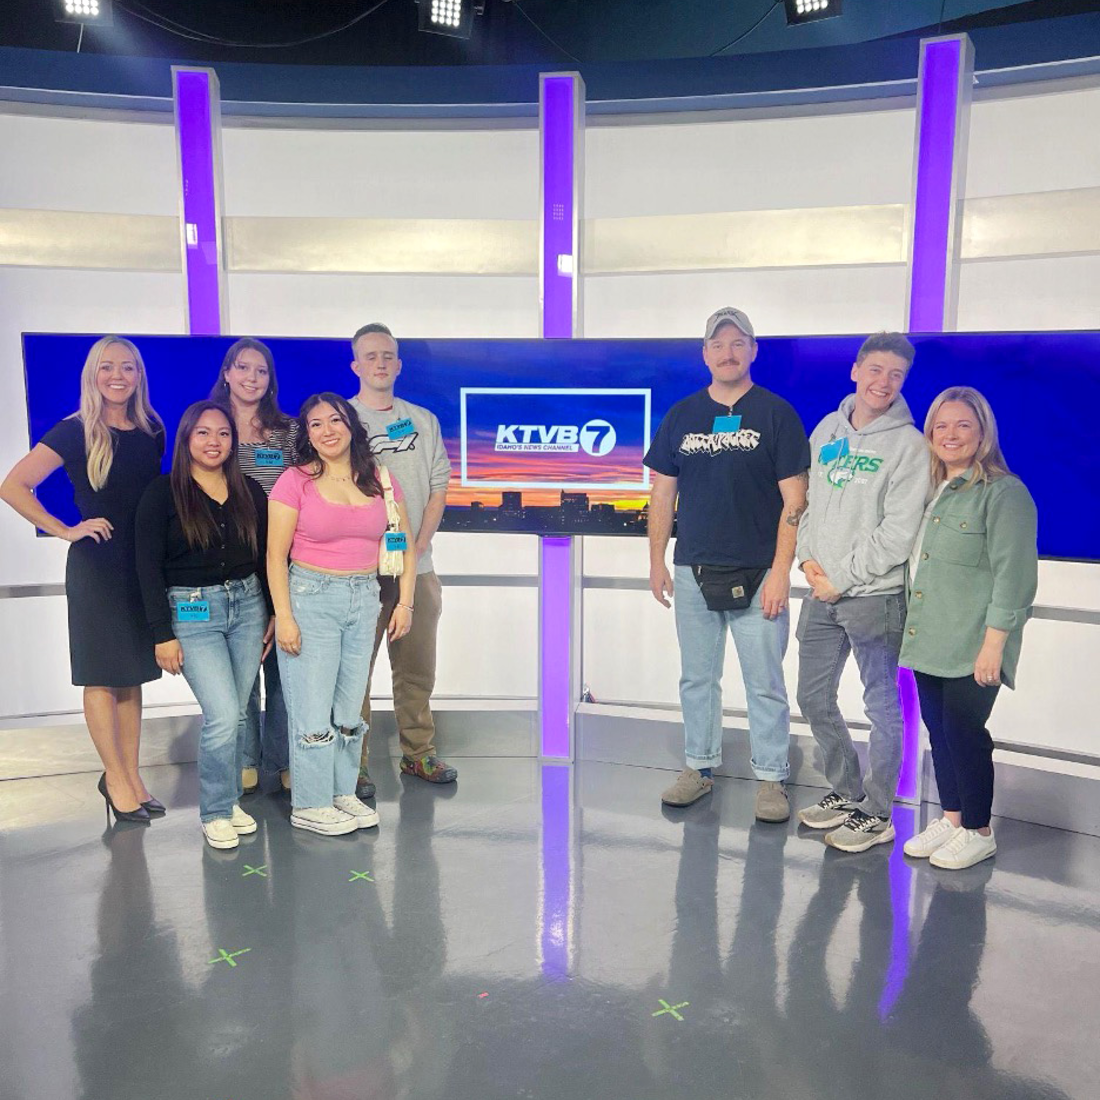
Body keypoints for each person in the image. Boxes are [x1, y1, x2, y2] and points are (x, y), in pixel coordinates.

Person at [645, 307, 810, 821]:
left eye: (738, 343)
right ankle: (699, 766)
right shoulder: (681, 416)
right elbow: (662, 495)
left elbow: (795, 499)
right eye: (718, 345)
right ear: (705, 354)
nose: (728, 352)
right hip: (694, 571)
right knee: (696, 678)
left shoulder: (777, 414)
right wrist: (657, 560)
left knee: (765, 681)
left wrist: (782, 571)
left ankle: (771, 779)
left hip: (761, 572)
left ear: (753, 351)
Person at [1, 336, 164, 824]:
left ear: (139, 376)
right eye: (107, 367)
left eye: (128, 367)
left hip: (140, 565)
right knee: (101, 674)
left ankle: (132, 777)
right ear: (93, 375)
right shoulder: (75, 431)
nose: (118, 375)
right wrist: (65, 530)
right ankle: (114, 779)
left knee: (134, 675)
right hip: (97, 566)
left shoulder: (151, 428)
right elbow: (13, 485)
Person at [794, 333, 928, 851]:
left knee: (882, 708)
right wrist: (808, 560)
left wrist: (839, 578)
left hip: (874, 597)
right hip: (821, 591)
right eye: (875, 370)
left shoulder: (909, 446)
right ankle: (847, 791)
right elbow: (807, 504)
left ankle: (877, 812)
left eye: (896, 375)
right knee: (812, 695)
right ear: (856, 371)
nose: (884, 382)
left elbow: (898, 533)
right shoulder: (827, 429)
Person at [900, 387, 1038, 870]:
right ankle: (953, 819)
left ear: (982, 432)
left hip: (974, 643)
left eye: (963, 425)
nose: (950, 435)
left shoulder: (1004, 493)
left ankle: (979, 830)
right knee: (939, 731)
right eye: (941, 425)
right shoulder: (931, 491)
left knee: (965, 732)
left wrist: (994, 646)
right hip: (928, 637)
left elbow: (1015, 577)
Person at [268, 392, 416, 836]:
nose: (327, 430)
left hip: (364, 597)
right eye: (316, 424)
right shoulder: (294, 481)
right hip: (311, 596)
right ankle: (310, 804)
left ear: (351, 425)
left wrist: (405, 601)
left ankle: (341, 792)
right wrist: (285, 616)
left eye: (335, 420)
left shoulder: (379, 479)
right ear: (307, 436)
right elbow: (275, 557)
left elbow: (402, 544)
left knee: (350, 708)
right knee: (312, 710)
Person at [135, 401, 272, 850]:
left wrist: (272, 611)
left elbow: (266, 558)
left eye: (224, 434)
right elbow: (147, 568)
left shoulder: (251, 490)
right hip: (193, 615)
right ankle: (214, 810)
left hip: (248, 609)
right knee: (222, 715)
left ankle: (230, 800)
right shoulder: (163, 493)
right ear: (186, 440)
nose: (214, 442)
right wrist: (162, 633)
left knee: (237, 714)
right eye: (203, 434)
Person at [347, 323, 456, 798]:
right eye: (371, 356)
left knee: (416, 669)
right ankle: (354, 764)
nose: (381, 363)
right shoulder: (341, 421)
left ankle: (419, 754)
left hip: (419, 569)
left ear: (399, 364)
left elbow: (437, 488)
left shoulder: (423, 420)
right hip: (357, 573)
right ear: (356, 366)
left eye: (388, 355)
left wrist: (415, 550)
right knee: (354, 673)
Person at [210, 337, 299, 796]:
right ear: (227, 372)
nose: (251, 377)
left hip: (283, 560)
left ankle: (283, 760)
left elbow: (306, 486)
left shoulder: (288, 431)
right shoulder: (209, 425)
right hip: (231, 564)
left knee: (283, 666)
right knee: (242, 667)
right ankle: (244, 759)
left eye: (260, 371)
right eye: (242, 368)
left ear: (270, 380)